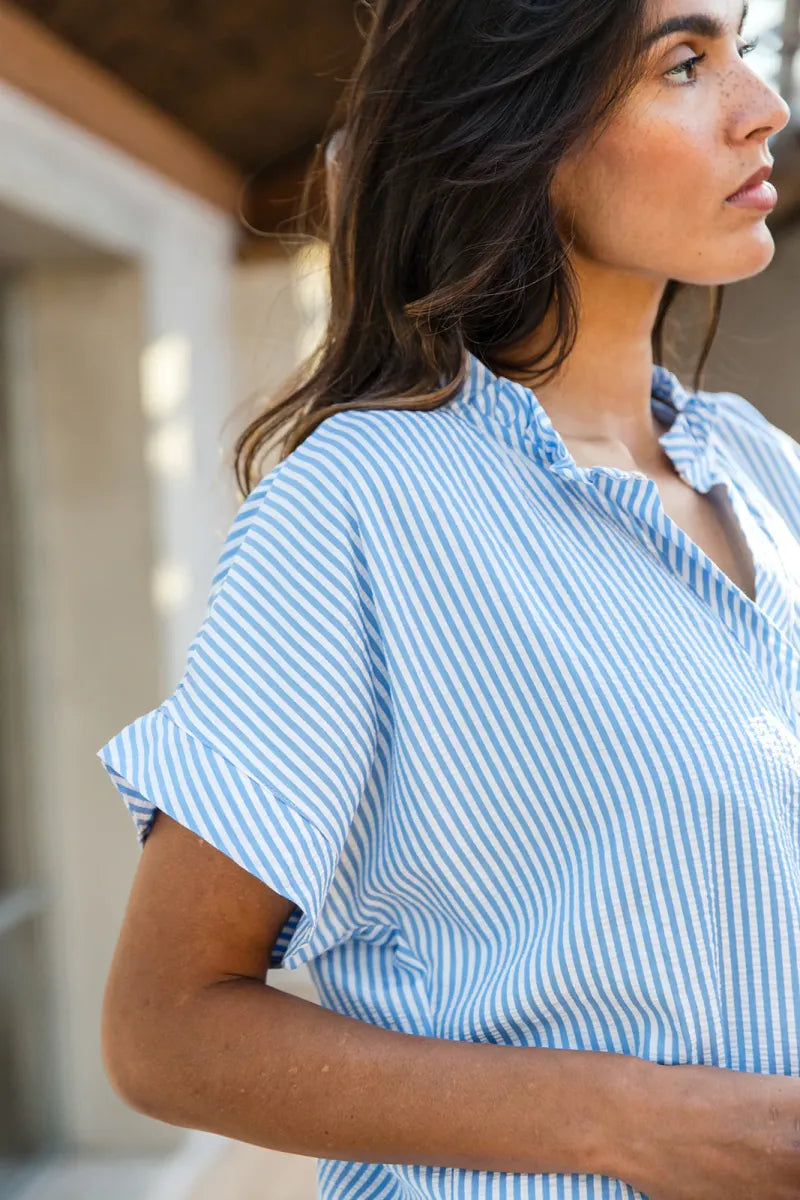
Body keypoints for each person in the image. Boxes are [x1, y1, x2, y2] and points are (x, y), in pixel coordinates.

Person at [96, 0, 800, 1196]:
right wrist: (637, 1124)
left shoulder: (766, 467)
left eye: (740, 50)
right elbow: (164, 1030)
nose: (762, 107)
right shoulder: (360, 509)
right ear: (515, 132)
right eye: (684, 64)